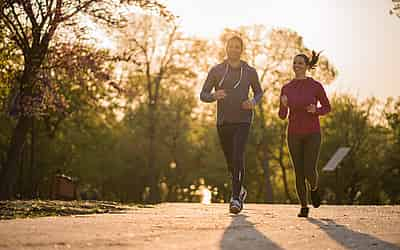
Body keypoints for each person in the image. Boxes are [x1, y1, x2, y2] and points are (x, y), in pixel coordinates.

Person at [200, 36, 263, 214]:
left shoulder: (250, 71)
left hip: (243, 119)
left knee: (238, 156)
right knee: (230, 162)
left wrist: (253, 101)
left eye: (238, 47)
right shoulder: (216, 70)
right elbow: (203, 94)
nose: (234, 50)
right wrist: (213, 96)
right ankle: (240, 189)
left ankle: (235, 198)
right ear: (226, 48)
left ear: (241, 50)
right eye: (231, 46)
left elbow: (259, 93)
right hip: (223, 122)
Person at [278, 51, 331, 217]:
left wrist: (316, 110)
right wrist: (283, 105)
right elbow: (281, 115)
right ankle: (303, 206)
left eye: (300, 63)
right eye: (294, 63)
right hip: (293, 133)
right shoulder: (286, 88)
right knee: (298, 171)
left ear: (307, 66)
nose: (296, 65)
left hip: (313, 133)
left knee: (309, 169)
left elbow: (327, 107)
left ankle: (314, 188)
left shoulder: (315, 86)